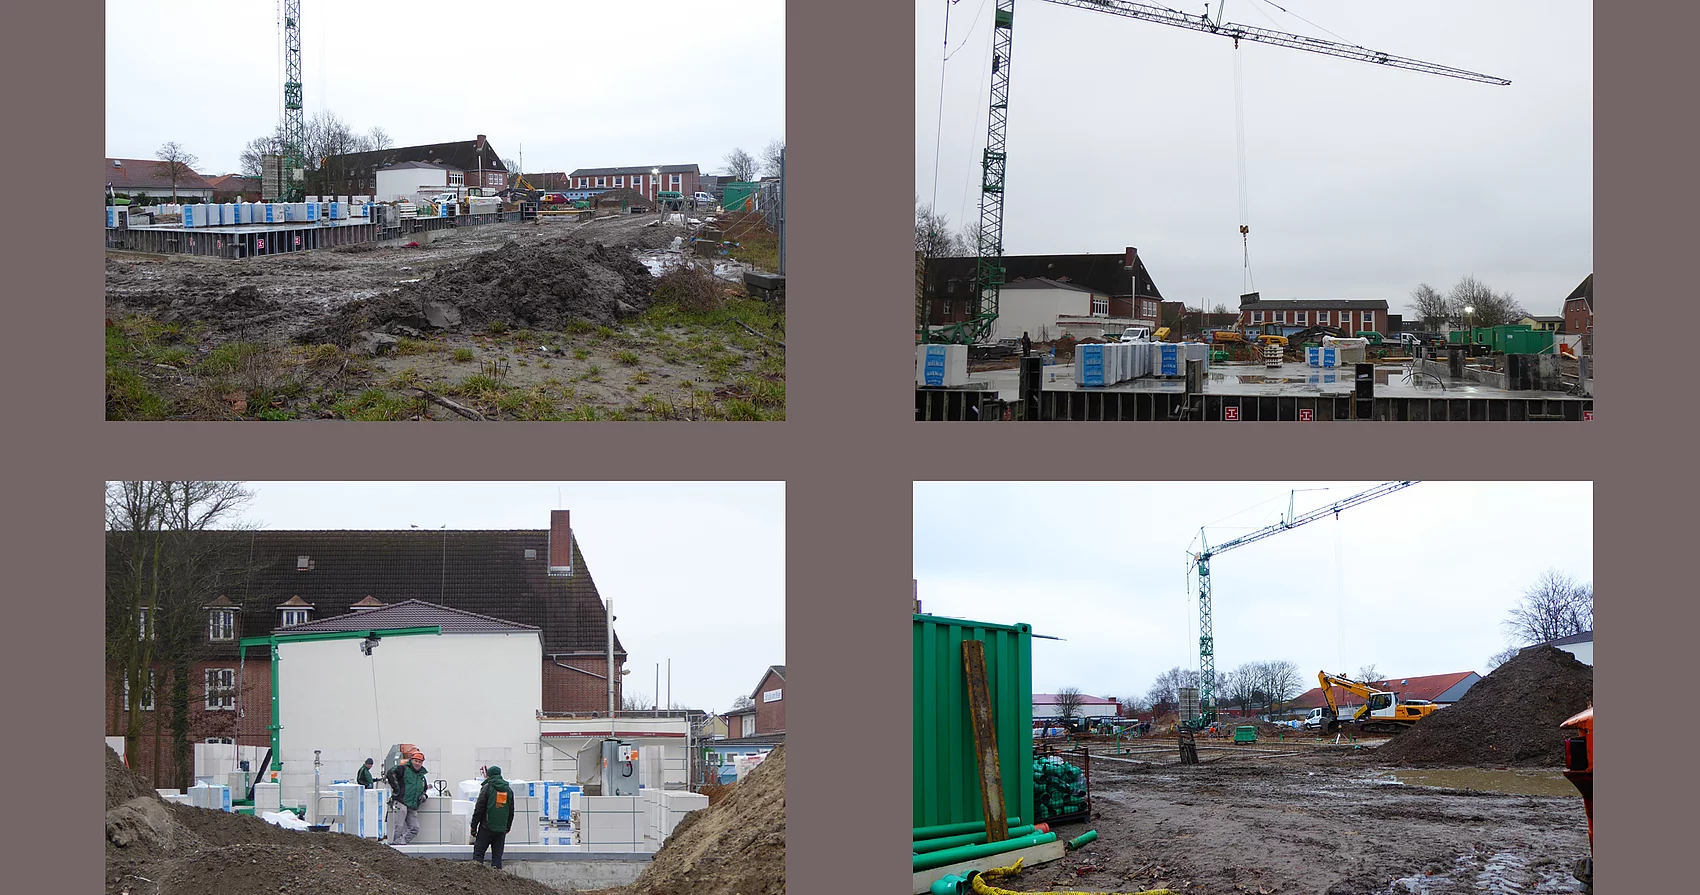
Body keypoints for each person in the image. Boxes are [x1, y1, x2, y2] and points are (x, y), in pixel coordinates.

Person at [469, 765, 515, 870]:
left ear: (489, 775)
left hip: (486, 828)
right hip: (501, 830)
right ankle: (498, 883)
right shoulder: (508, 790)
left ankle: (476, 880)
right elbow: (511, 811)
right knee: (497, 858)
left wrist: (473, 827)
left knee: (478, 855)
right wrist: (507, 827)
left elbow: (479, 809)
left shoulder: (487, 788)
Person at [384, 751, 430, 845]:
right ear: (411, 760)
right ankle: (394, 847)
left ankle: (399, 843)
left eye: (419, 762)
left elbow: (424, 789)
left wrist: (424, 795)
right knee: (399, 826)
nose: (417, 763)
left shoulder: (421, 777)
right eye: (415, 761)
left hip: (412, 806)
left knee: (415, 828)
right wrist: (396, 789)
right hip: (401, 802)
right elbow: (390, 773)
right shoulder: (403, 769)